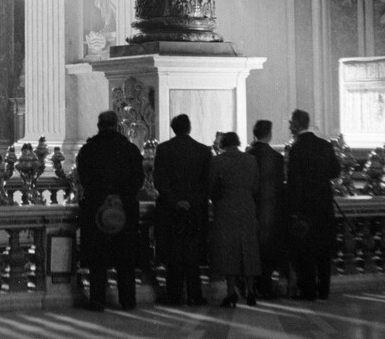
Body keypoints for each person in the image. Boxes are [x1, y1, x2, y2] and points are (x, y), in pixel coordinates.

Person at [76, 110, 145, 311]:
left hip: (97, 208)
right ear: (117, 126)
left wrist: (104, 197)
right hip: (125, 209)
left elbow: (84, 179)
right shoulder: (130, 149)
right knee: (126, 260)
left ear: (99, 126)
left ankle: (97, 300)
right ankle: (128, 300)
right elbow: (138, 179)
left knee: (98, 260)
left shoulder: (88, 150)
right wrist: (119, 197)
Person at [154, 113, 211, 306]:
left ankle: (174, 296)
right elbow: (206, 183)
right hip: (195, 211)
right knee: (192, 255)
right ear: (189, 127)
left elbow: (160, 181)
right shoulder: (203, 151)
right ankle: (195, 294)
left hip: (171, 211)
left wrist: (175, 201)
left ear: (173, 128)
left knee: (173, 255)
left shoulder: (163, 149)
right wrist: (191, 201)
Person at [286, 109, 341, 301]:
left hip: (305, 207)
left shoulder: (296, 148)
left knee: (306, 250)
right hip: (324, 204)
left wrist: (294, 211)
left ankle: (308, 291)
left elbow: (294, 182)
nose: (289, 125)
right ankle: (324, 290)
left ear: (297, 124)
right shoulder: (325, 145)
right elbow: (335, 171)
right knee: (323, 250)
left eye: (291, 122)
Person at [209, 131, 261, 307]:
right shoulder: (251, 160)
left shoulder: (218, 161)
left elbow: (211, 186)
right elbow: (255, 187)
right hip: (247, 207)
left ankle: (231, 292)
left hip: (225, 208)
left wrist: (219, 199)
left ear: (223, 144)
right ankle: (251, 291)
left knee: (229, 250)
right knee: (248, 248)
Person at [247, 119, 285, 298]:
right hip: (272, 210)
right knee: (269, 250)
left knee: (253, 249)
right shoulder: (278, 158)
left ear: (255, 133)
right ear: (270, 135)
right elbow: (280, 187)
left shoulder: (248, 156)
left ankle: (254, 286)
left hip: (253, 209)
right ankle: (266, 286)